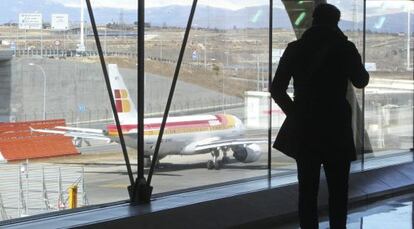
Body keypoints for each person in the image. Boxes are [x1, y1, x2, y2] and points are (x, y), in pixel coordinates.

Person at [271, 3, 369, 229]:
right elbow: (361, 81)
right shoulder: (345, 48)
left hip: (306, 128)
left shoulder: (295, 48)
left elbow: (277, 88)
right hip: (336, 126)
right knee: (338, 191)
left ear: (313, 20)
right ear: (335, 22)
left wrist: (295, 113)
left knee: (307, 191)